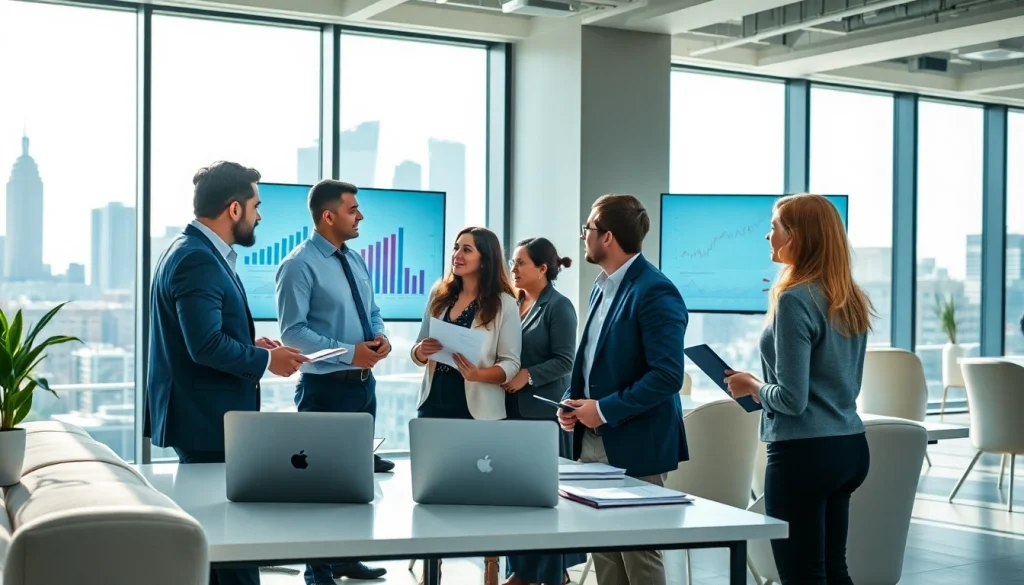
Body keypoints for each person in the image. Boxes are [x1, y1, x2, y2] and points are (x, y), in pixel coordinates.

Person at [145, 161, 307, 585]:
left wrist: (250, 344)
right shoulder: (196, 259)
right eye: (256, 205)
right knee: (230, 553)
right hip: (206, 422)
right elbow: (205, 346)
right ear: (234, 209)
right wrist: (267, 362)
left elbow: (202, 335)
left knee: (223, 548)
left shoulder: (191, 251)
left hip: (204, 418)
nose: (259, 215)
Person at [724, 193, 872, 585]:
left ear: (798, 236)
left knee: (802, 575)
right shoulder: (850, 298)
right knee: (833, 568)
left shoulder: (794, 300)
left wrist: (752, 385)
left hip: (804, 452)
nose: (768, 237)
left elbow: (792, 399)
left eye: (774, 228)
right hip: (850, 447)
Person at [558, 194, 688, 585]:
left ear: (608, 237)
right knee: (605, 554)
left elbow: (668, 376)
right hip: (593, 441)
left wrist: (605, 410)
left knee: (639, 555)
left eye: (588, 229)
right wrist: (574, 404)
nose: (583, 236)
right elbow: (594, 360)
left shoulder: (655, 291)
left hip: (636, 443)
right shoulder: (602, 286)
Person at [275, 180, 390, 584]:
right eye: (353, 209)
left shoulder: (354, 260)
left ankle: (345, 558)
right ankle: (317, 572)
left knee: (355, 483)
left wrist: (380, 338)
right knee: (321, 487)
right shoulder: (298, 264)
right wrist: (349, 351)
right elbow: (293, 333)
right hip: (324, 389)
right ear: (329, 216)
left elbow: (372, 310)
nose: (360, 216)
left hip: (363, 387)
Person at [411, 226, 522, 585]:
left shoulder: (504, 303)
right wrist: (420, 351)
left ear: (485, 259)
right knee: (433, 495)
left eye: (467, 250)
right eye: (456, 248)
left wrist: (478, 374)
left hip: (478, 407)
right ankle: (433, 569)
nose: (457, 255)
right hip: (434, 401)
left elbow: (511, 364)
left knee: (483, 495)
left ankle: (490, 567)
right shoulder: (438, 297)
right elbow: (416, 350)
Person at [502, 237, 585, 585]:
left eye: (520, 263)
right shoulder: (514, 304)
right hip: (510, 412)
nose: (513, 268)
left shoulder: (558, 306)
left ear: (542, 268)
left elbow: (566, 360)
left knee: (546, 502)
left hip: (542, 414)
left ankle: (552, 575)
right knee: (516, 498)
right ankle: (520, 572)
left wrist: (529, 375)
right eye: (513, 262)